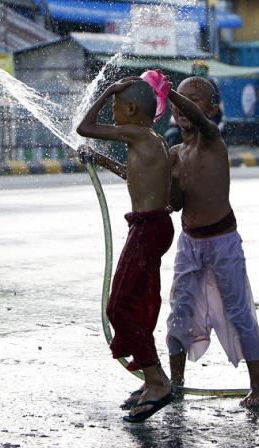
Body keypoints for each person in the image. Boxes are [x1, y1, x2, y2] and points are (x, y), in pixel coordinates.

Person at [164, 77, 259, 409]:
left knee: (239, 311)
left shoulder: (212, 139)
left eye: (194, 100)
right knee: (179, 311)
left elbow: (194, 116)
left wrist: (170, 94)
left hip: (223, 241)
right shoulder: (176, 153)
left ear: (210, 110)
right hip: (189, 243)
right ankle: (175, 384)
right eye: (180, 99)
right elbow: (174, 203)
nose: (186, 105)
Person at [76, 77, 175, 423]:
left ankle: (157, 382)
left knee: (118, 308)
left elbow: (84, 127)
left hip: (148, 228)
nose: (113, 112)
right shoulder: (151, 139)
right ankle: (154, 380)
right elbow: (132, 175)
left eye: (118, 105)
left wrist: (105, 92)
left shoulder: (138, 133)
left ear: (131, 109)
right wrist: (98, 159)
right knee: (133, 304)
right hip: (152, 225)